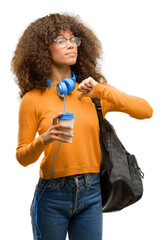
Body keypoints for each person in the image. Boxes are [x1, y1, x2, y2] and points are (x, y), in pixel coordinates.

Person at [11, 13, 153, 240]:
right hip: (51, 195)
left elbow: (146, 110)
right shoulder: (33, 99)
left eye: (73, 39)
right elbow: (22, 157)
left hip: (92, 192)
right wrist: (43, 140)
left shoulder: (93, 92)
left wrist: (102, 90)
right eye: (61, 40)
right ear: (41, 49)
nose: (71, 45)